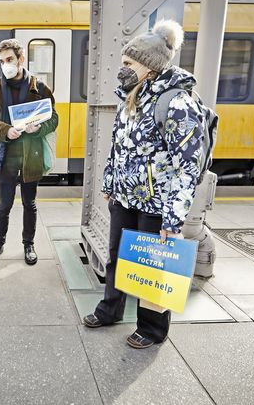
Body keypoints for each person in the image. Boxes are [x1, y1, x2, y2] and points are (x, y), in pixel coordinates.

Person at [82, 20, 206, 349]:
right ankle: (110, 310)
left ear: (148, 67)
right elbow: (118, 146)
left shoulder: (177, 103)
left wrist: (172, 219)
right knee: (116, 257)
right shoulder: (129, 100)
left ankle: (151, 329)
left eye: (127, 63)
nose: (121, 69)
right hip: (125, 197)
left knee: (154, 266)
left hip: (156, 202)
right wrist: (110, 182)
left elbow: (186, 165)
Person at [0, 39, 58, 265]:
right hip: (6, 157)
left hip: (30, 156)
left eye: (10, 59)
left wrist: (39, 128)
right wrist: (6, 130)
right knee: (3, 204)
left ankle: (29, 245)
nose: (6, 65)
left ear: (21, 59)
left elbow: (54, 118)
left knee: (29, 204)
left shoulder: (40, 88)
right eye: (2, 61)